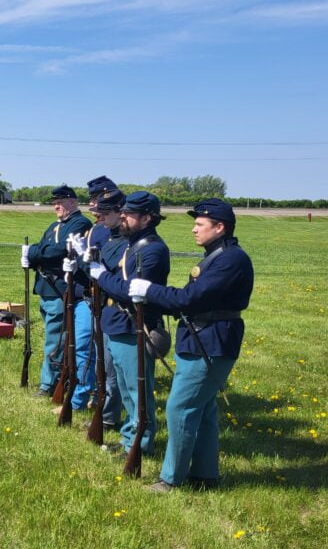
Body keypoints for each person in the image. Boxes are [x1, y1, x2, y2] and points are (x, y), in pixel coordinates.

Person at [128, 198, 254, 491]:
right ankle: (205, 475)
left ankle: (171, 479)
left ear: (220, 227)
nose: (194, 230)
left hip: (211, 340)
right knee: (204, 408)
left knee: (180, 407)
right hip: (201, 336)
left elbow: (190, 298)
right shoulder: (217, 256)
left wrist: (151, 290)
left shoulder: (230, 259)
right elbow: (190, 296)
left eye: (200, 224)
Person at [76, 191, 170, 457]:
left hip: (133, 326)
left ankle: (140, 444)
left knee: (137, 390)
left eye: (129, 214)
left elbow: (129, 290)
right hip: (116, 322)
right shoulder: (132, 245)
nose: (124, 217)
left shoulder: (153, 249)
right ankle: (131, 437)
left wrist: (101, 275)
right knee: (127, 390)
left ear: (147, 218)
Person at [22, 184, 92, 399]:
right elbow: (44, 248)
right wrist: (36, 253)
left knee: (56, 339)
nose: (56, 207)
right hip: (47, 288)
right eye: (54, 203)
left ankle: (49, 383)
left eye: (60, 202)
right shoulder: (55, 225)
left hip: (60, 288)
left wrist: (35, 253)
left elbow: (58, 250)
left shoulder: (79, 223)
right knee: (52, 336)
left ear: (72, 202)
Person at [82, 180, 127, 433]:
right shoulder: (108, 236)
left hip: (119, 312)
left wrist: (96, 270)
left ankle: (111, 417)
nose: (100, 215)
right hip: (105, 306)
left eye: (106, 212)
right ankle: (107, 413)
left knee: (114, 373)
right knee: (106, 367)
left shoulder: (125, 242)